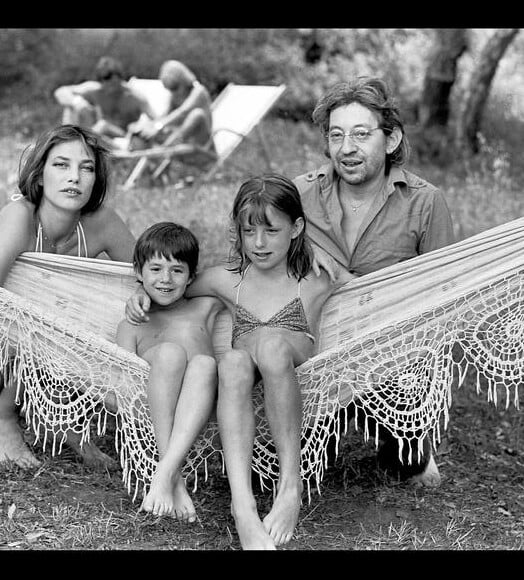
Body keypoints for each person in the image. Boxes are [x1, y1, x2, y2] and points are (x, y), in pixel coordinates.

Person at [126, 174, 347, 549]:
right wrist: (136, 293)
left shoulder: (315, 277)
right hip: (244, 374)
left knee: (274, 349)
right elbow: (168, 284)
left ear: (296, 229)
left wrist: (321, 253)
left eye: (272, 231)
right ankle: (242, 505)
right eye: (248, 231)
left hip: (288, 362)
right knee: (231, 362)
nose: (259, 243)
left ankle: (289, 488)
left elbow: (371, 289)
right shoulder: (227, 280)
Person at [293, 75, 456, 487]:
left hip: (394, 356)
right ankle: (317, 427)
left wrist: (349, 281)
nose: (347, 148)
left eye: (361, 134)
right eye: (336, 135)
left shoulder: (424, 201)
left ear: (391, 138)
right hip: (315, 353)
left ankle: (404, 435)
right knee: (299, 468)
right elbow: (248, 255)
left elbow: (445, 296)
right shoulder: (299, 194)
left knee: (412, 472)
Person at [0, 124, 136, 470]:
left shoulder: (102, 223)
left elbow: (147, 276)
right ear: (39, 176)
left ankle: (61, 417)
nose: (75, 178)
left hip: (47, 352)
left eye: (86, 168)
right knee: (53, 307)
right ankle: (2, 415)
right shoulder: (19, 217)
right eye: (61, 165)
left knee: (103, 311)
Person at [116, 222, 223, 523]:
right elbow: (123, 383)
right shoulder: (132, 325)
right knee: (171, 353)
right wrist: (139, 291)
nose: (166, 279)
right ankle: (172, 474)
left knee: (204, 363)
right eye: (156, 270)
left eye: (177, 270)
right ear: (138, 272)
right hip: (154, 406)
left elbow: (241, 276)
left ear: (191, 277)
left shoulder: (206, 307)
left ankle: (163, 474)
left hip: (201, 402)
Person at [54, 56, 157, 147]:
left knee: (102, 125)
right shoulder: (96, 91)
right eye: (109, 84)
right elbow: (61, 91)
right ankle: (70, 140)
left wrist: (149, 127)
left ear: (120, 78)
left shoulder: (134, 97)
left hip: (123, 138)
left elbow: (157, 119)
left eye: (116, 83)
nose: (113, 88)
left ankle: (81, 143)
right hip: (99, 136)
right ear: (102, 82)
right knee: (73, 107)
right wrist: (77, 102)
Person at [129, 60, 215, 167]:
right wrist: (147, 127)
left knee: (197, 114)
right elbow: (164, 117)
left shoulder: (198, 91)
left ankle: (163, 150)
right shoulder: (174, 96)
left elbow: (183, 111)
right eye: (169, 89)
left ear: (183, 80)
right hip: (181, 140)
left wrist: (159, 127)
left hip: (201, 143)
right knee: (146, 126)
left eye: (174, 87)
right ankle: (151, 153)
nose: (174, 92)